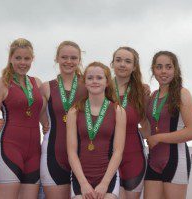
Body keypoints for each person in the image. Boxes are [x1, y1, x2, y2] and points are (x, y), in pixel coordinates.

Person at [0, 38, 44, 199]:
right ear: (10, 58)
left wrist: (47, 125)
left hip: (34, 152)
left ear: (32, 59)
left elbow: (44, 115)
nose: (22, 63)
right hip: (10, 150)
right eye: (18, 58)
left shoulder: (37, 83)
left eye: (27, 58)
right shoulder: (0, 85)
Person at [143, 51, 192, 199]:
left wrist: (159, 137)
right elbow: (147, 131)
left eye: (168, 67)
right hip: (153, 160)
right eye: (159, 67)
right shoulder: (152, 96)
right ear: (153, 70)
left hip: (175, 160)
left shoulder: (182, 93)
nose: (163, 71)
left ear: (175, 70)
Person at [67, 62, 126, 199]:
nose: (94, 81)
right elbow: (71, 152)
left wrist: (104, 183)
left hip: (107, 176)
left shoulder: (118, 111)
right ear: (85, 82)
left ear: (107, 82)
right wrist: (83, 183)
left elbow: (118, 152)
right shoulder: (74, 111)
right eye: (90, 78)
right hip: (81, 176)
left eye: (99, 78)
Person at [40, 41, 87, 198]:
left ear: (79, 60)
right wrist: (2, 121)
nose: (69, 61)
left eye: (73, 58)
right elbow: (32, 113)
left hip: (85, 156)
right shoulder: (47, 87)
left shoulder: (89, 86)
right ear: (57, 59)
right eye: (64, 57)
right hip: (53, 153)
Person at [111, 47, 148, 199]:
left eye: (128, 61)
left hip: (134, 156)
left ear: (134, 67)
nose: (122, 64)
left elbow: (147, 125)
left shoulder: (142, 92)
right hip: (106, 156)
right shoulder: (101, 88)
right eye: (118, 60)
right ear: (112, 64)